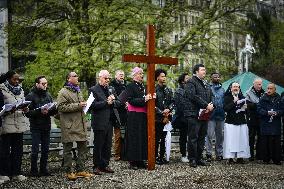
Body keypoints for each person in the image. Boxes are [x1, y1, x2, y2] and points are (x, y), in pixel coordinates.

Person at [57, 72, 93, 180]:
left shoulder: (78, 90)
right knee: (67, 149)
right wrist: (78, 105)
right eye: (75, 76)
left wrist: (84, 104)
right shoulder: (63, 92)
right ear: (68, 79)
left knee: (83, 148)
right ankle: (68, 171)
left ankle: (80, 170)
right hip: (69, 125)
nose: (77, 77)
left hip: (80, 124)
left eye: (77, 75)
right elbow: (61, 107)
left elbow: (80, 105)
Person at [25, 76, 57, 177]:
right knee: (35, 149)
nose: (45, 85)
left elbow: (52, 111)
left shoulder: (48, 95)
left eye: (46, 83)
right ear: (37, 84)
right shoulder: (30, 96)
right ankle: (33, 170)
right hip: (36, 126)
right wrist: (40, 111)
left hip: (46, 125)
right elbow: (27, 113)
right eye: (43, 84)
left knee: (45, 149)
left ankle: (43, 169)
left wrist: (53, 109)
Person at [0, 71, 29, 181]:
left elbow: (23, 103)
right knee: (5, 151)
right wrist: (8, 110)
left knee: (18, 151)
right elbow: (1, 108)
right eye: (14, 79)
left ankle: (16, 172)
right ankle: (4, 173)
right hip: (7, 124)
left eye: (18, 79)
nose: (17, 81)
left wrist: (26, 108)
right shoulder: (1, 89)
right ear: (8, 79)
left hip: (19, 123)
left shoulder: (21, 90)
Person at [89, 70, 120, 175]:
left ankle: (104, 164)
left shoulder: (111, 89)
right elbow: (92, 106)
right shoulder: (93, 90)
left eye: (109, 78)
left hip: (110, 120)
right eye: (106, 78)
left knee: (107, 144)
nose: (108, 80)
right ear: (100, 78)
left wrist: (114, 100)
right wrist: (106, 102)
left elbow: (118, 102)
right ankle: (96, 166)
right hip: (99, 121)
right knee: (98, 144)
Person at [184, 64, 214, 167]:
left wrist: (211, 104)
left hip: (205, 114)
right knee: (193, 137)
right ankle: (192, 159)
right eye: (202, 70)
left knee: (202, 136)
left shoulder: (206, 83)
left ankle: (199, 158)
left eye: (205, 70)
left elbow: (211, 95)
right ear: (196, 72)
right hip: (193, 114)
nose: (204, 72)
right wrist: (206, 105)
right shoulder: (191, 82)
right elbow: (193, 96)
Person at [125, 67, 153, 170]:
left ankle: (141, 159)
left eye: (142, 73)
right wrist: (144, 99)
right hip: (134, 115)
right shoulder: (130, 86)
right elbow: (131, 100)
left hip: (143, 115)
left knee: (142, 137)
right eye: (140, 73)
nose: (142, 75)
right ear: (134, 75)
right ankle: (133, 161)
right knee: (134, 137)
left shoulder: (145, 86)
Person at [223, 82, 250, 164]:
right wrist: (234, 102)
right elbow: (225, 108)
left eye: (237, 87)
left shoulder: (242, 97)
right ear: (231, 88)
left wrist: (245, 108)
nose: (236, 88)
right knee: (230, 141)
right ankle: (230, 158)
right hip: (230, 122)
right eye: (234, 87)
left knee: (241, 140)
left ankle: (240, 157)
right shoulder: (227, 97)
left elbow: (247, 111)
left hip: (241, 122)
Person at [257, 83, 283, 165]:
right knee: (265, 142)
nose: (269, 90)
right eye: (268, 88)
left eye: (271, 88)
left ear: (274, 89)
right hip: (265, 122)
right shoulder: (262, 98)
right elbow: (258, 109)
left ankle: (276, 159)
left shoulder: (279, 98)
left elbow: (282, 109)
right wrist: (266, 113)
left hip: (275, 123)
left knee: (276, 142)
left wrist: (277, 113)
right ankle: (266, 159)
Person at [154, 69, 174, 165]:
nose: (164, 78)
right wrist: (162, 112)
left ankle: (162, 156)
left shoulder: (168, 90)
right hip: (157, 118)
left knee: (164, 138)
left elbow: (173, 102)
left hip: (167, 118)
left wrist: (168, 110)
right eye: (162, 76)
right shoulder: (153, 90)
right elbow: (152, 105)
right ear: (157, 77)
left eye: (165, 76)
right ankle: (155, 157)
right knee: (157, 138)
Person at [205, 73, 225, 162]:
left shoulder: (223, 89)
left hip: (220, 115)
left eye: (218, 77)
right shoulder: (208, 88)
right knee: (209, 135)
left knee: (220, 136)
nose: (217, 78)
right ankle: (208, 154)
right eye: (215, 77)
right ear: (211, 78)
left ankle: (219, 154)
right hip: (211, 116)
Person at [245, 78, 265, 161]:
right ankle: (250, 155)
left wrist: (256, 105)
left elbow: (265, 105)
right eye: (258, 84)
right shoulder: (248, 92)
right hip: (252, 117)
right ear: (254, 84)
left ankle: (259, 155)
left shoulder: (264, 93)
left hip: (261, 118)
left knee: (260, 136)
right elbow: (248, 105)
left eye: (260, 84)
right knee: (251, 136)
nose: (259, 86)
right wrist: (258, 105)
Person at [109, 70, 127, 161]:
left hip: (126, 112)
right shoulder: (111, 86)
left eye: (123, 75)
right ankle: (117, 154)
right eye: (120, 75)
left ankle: (125, 153)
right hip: (116, 113)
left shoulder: (126, 85)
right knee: (118, 135)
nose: (122, 76)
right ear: (115, 76)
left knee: (126, 134)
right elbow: (114, 100)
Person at [173, 73, 190, 163]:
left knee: (192, 137)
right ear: (182, 81)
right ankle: (183, 154)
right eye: (187, 78)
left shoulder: (192, 89)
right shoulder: (178, 91)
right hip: (182, 118)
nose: (189, 79)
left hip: (192, 117)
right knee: (183, 137)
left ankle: (191, 154)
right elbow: (179, 105)